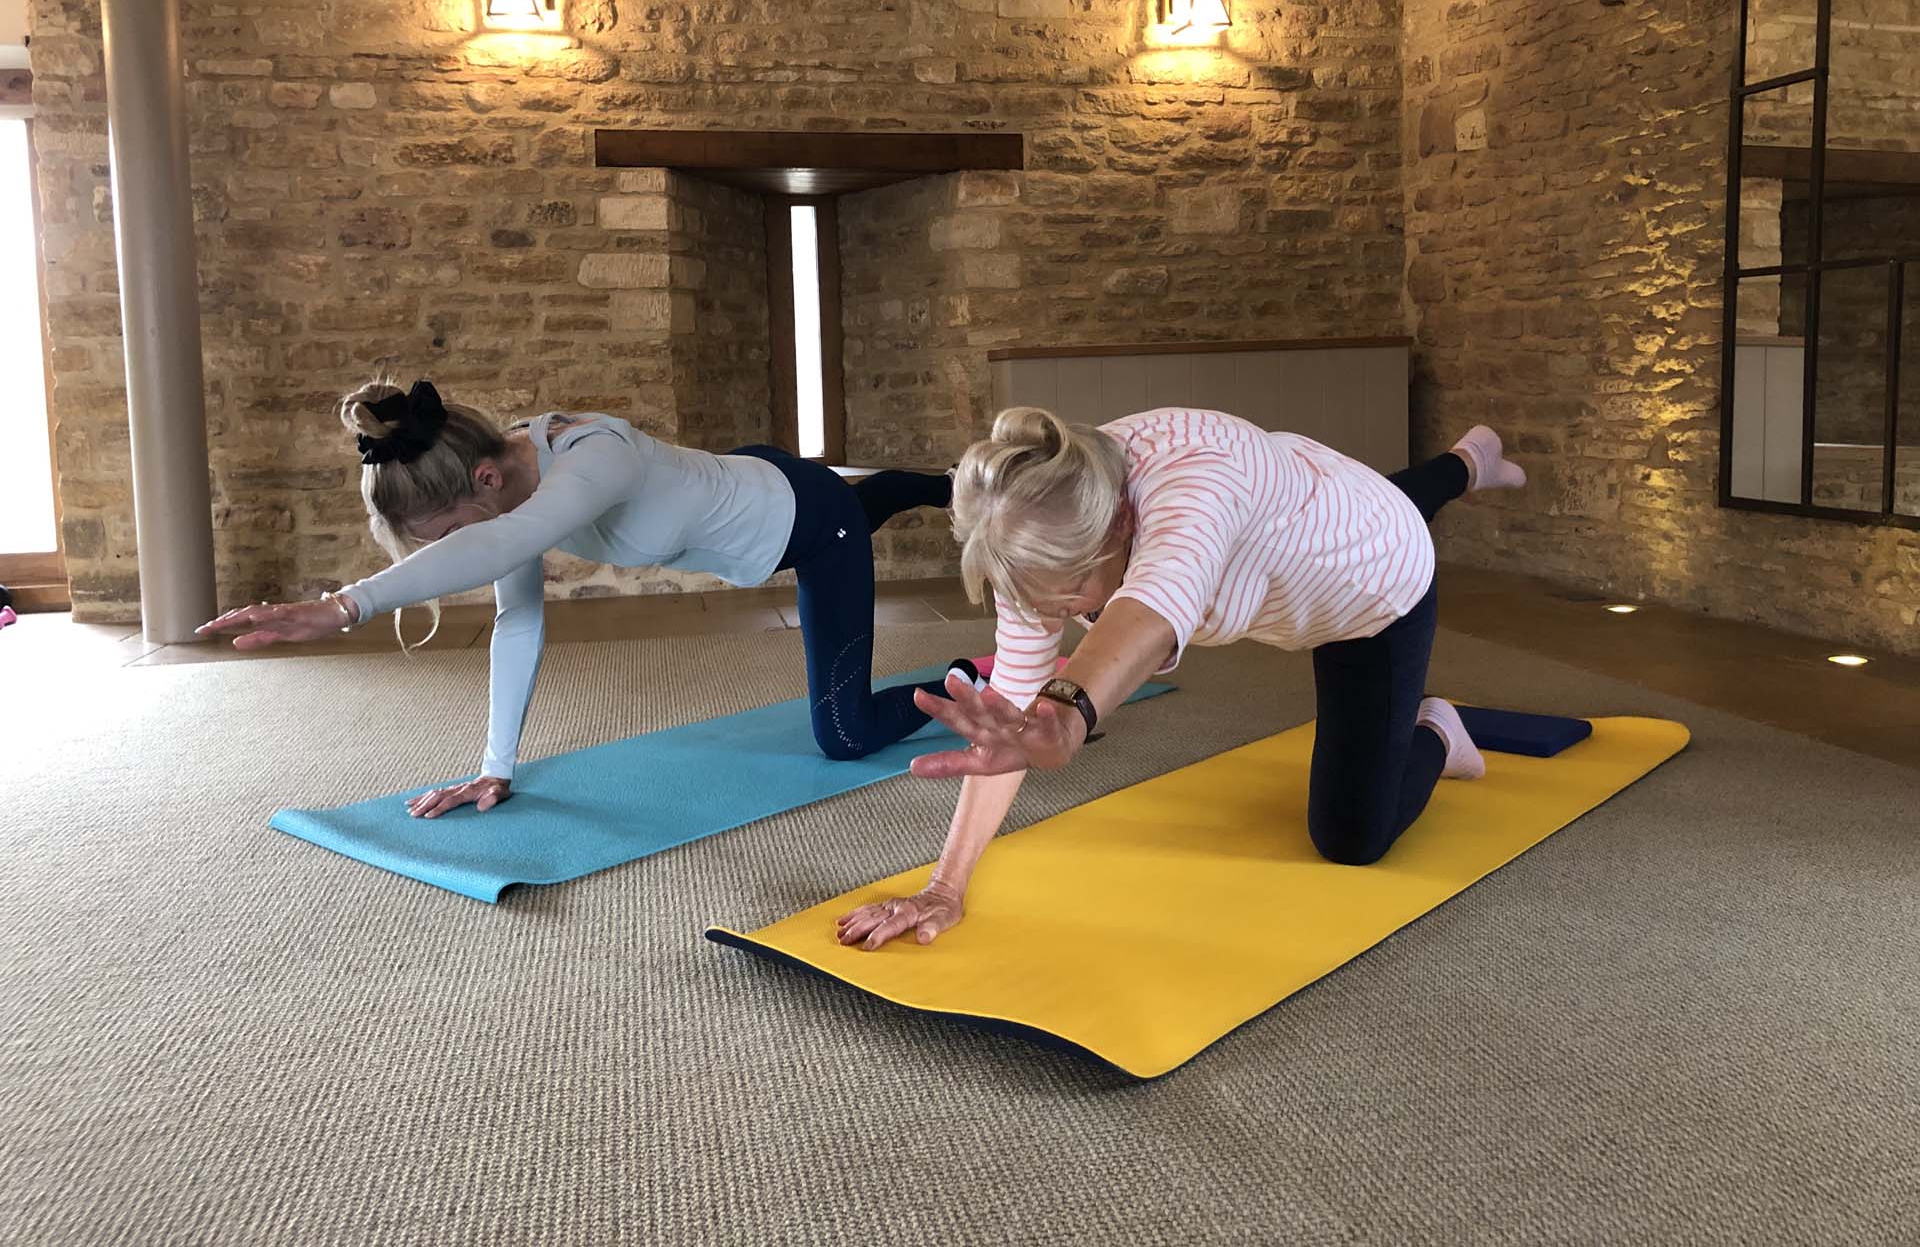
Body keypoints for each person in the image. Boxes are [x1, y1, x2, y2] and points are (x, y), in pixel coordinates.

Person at [834, 405, 1527, 951]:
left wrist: (1069, 714)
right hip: (1309, 508)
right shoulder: (1035, 516)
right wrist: (943, 887)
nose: (1060, 617)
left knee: (1352, 840)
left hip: (1372, 596)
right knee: (1365, 501)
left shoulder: (1195, 487)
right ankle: (1467, 462)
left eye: (1071, 596)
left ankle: (1436, 729)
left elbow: (1147, 612)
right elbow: (1012, 717)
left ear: (1125, 526)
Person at [198, 379, 967, 816]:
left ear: (485, 481)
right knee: (834, 500)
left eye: (444, 532)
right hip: (753, 489)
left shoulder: (593, 458)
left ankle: (990, 671)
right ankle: (930, 484)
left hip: (808, 524)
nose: (449, 549)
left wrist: (341, 607)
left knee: (845, 733)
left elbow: (492, 547)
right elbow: (518, 616)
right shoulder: (512, 495)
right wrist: (496, 766)